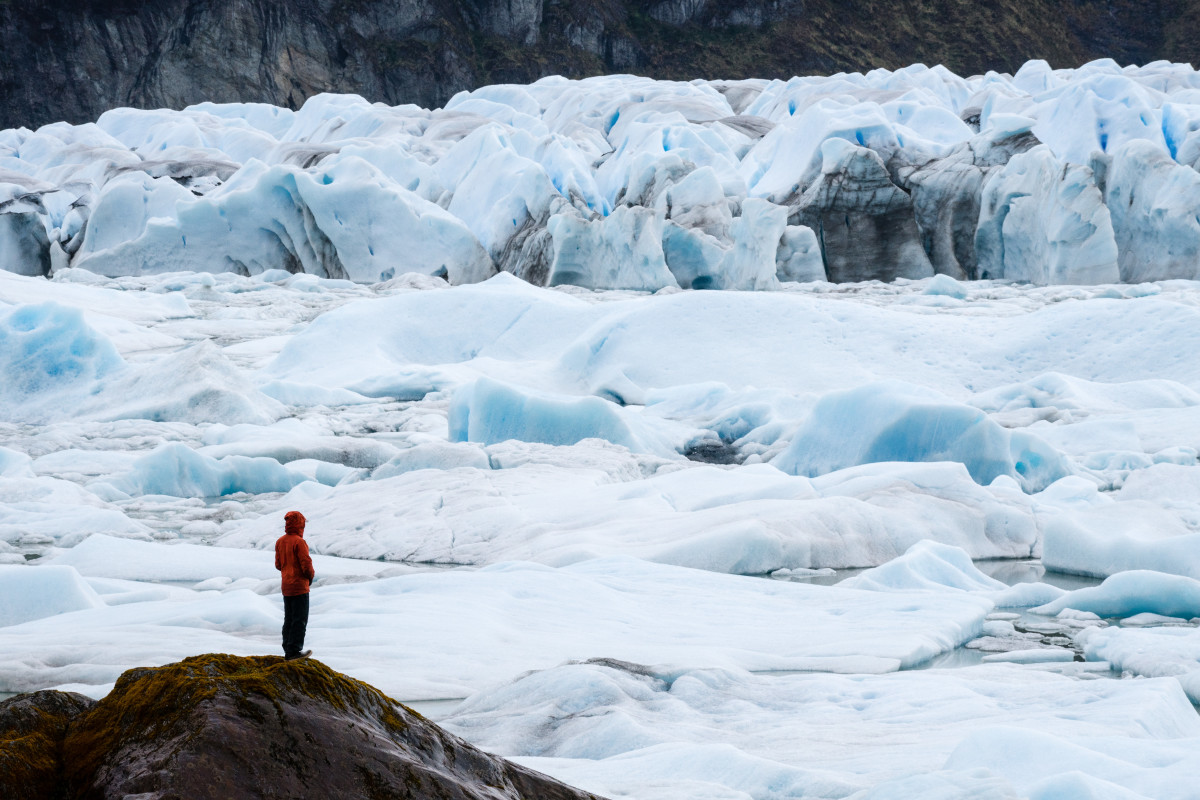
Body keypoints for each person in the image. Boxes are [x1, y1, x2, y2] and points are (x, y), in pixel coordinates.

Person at [275, 510, 315, 660]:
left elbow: (278, 565)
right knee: (300, 619)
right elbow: (306, 564)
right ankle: (294, 652)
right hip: (299, 586)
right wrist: (309, 577)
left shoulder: (280, 541)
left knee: (289, 619)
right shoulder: (299, 542)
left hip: (286, 586)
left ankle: (287, 649)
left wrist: (287, 571)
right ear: (300, 524)